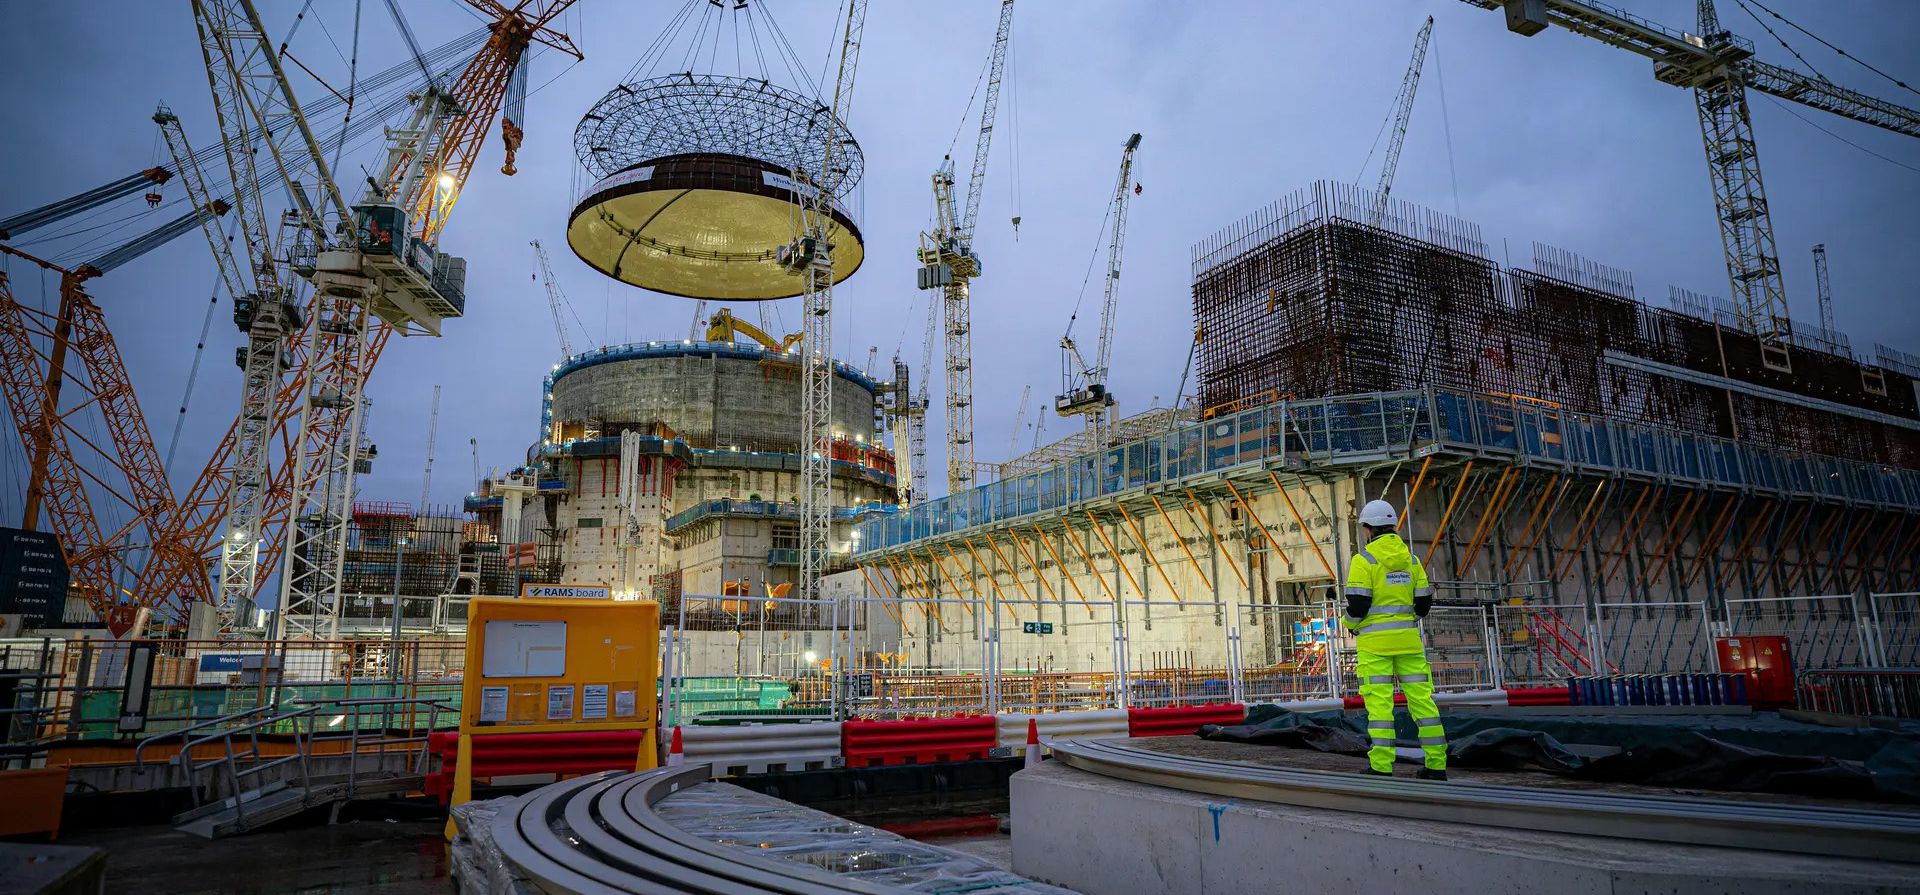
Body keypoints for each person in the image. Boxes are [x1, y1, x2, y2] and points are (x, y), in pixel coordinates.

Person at [1343, 499, 1446, 780]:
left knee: (1380, 708)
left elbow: (1358, 605)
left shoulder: (1364, 560)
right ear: (1392, 527)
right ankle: (1437, 765)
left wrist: (1348, 624)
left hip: (1374, 647)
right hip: (1409, 643)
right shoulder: (1411, 561)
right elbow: (1424, 605)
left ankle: (1381, 765)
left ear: (1368, 529)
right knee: (1424, 705)